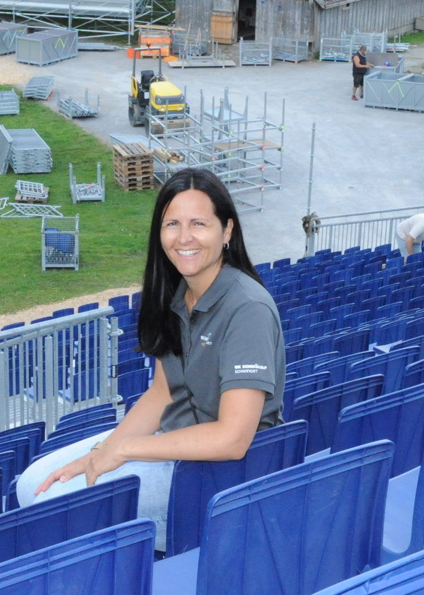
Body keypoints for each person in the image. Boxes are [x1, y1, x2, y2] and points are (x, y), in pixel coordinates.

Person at [17, 167, 286, 549]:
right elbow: (162, 395)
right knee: (33, 483)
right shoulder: (174, 295)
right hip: (173, 446)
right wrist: (102, 451)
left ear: (227, 231)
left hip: (224, 474)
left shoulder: (248, 308)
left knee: (53, 505)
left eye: (199, 223)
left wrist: (124, 450)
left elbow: (232, 439)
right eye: (172, 224)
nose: (184, 237)